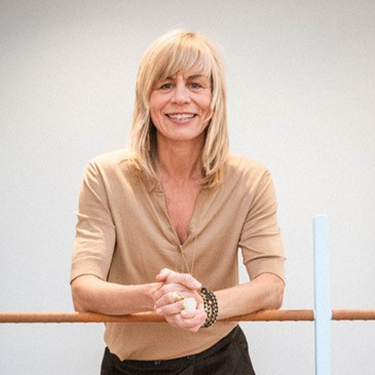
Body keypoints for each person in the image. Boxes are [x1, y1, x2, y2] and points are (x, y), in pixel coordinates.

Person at [70, 29, 285, 375]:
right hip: (128, 367)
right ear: (146, 98)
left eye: (196, 85)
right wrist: (157, 296)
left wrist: (207, 304)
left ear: (214, 99)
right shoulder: (103, 175)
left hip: (222, 361)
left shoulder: (252, 179)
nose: (181, 98)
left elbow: (272, 287)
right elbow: (84, 292)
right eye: (166, 85)